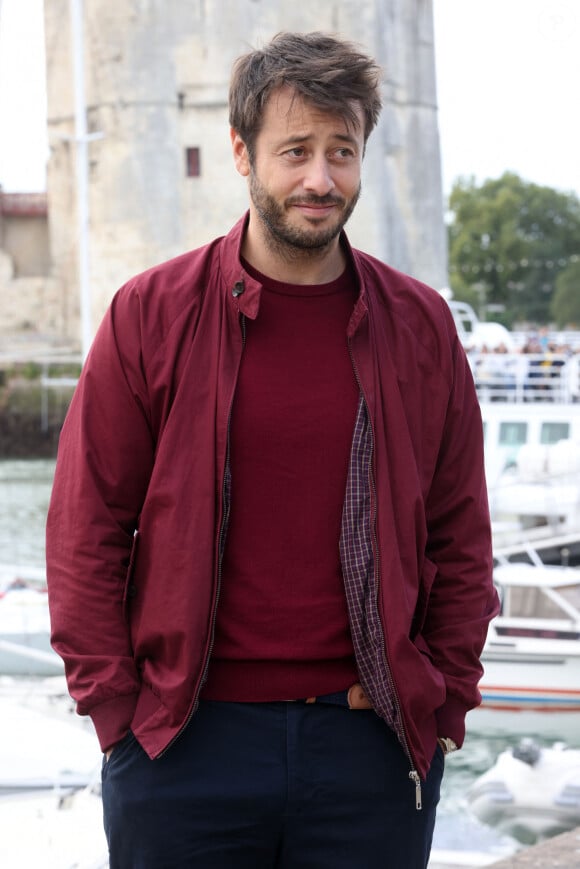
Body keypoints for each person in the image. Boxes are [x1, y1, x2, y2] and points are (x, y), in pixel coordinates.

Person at [46, 31, 499, 869]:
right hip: (183, 748)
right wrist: (120, 720)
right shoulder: (150, 314)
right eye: (295, 151)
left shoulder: (422, 326)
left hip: (370, 747)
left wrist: (440, 699)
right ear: (241, 152)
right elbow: (86, 530)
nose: (320, 179)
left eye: (341, 151)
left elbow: (460, 533)